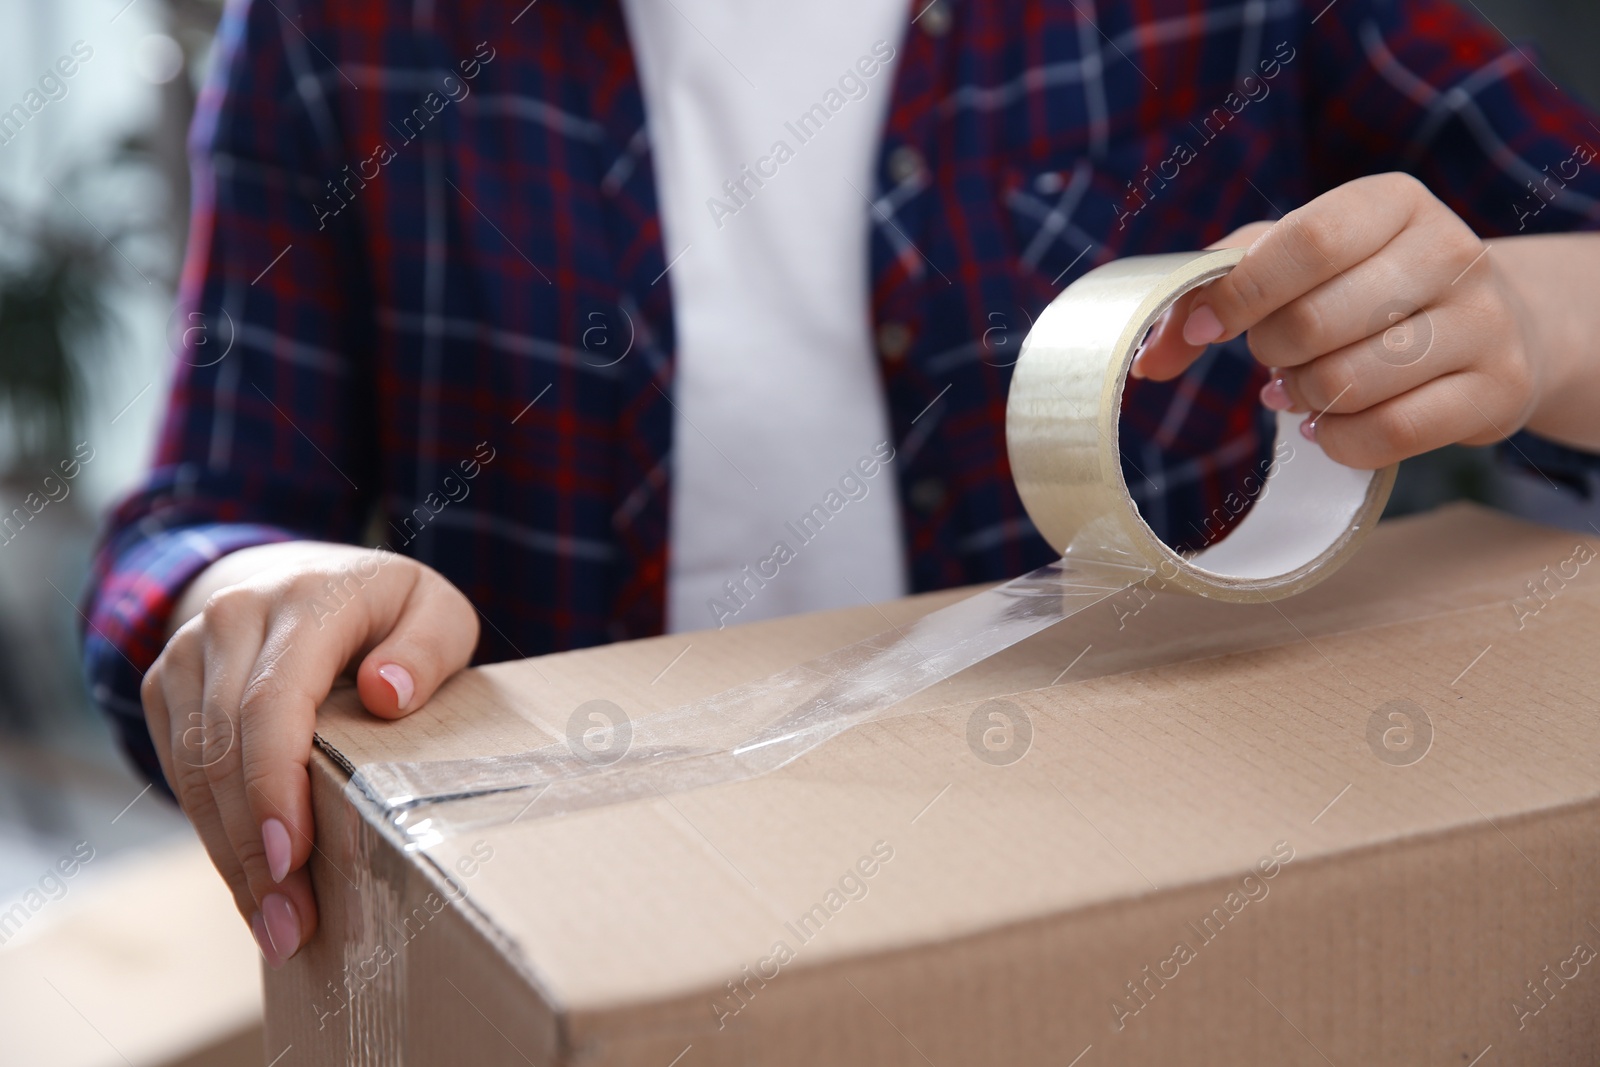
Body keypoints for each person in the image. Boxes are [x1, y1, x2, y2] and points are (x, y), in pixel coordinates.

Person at [83, 0, 1600, 970]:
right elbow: (188, 526)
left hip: (1162, 919)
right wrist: (244, 594)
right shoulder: (341, 37)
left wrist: (1523, 324)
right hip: (593, 939)